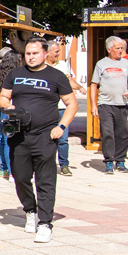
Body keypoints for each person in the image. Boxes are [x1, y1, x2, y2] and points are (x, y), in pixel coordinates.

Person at [0, 37, 77, 244]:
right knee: (20, 177)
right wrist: (7, 106)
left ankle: (45, 223)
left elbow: (72, 104)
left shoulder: (56, 76)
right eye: (28, 54)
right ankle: (30, 210)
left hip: (45, 135)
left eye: (35, 53)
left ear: (45, 54)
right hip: (19, 135)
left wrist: (61, 127)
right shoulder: (15, 74)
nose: (31, 57)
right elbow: (3, 97)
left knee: (45, 180)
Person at [89, 36, 128, 174]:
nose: (120, 50)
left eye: (121, 48)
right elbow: (94, 85)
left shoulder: (126, 63)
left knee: (123, 133)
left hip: (121, 103)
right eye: (117, 48)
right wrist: (93, 105)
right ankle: (109, 161)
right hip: (105, 104)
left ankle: (120, 161)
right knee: (108, 133)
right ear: (109, 49)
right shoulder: (101, 64)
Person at [48, 41, 84, 176]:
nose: (58, 54)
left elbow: (68, 81)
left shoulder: (62, 65)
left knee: (63, 138)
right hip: (48, 109)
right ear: (47, 52)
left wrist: (80, 87)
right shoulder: (41, 66)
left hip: (63, 107)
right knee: (48, 138)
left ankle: (64, 165)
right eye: (56, 51)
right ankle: (48, 164)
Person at [0, 47, 22, 181]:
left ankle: (4, 169)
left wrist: (3, 99)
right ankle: (12, 172)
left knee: (4, 139)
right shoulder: (18, 74)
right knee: (11, 140)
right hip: (13, 108)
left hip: (1, 108)